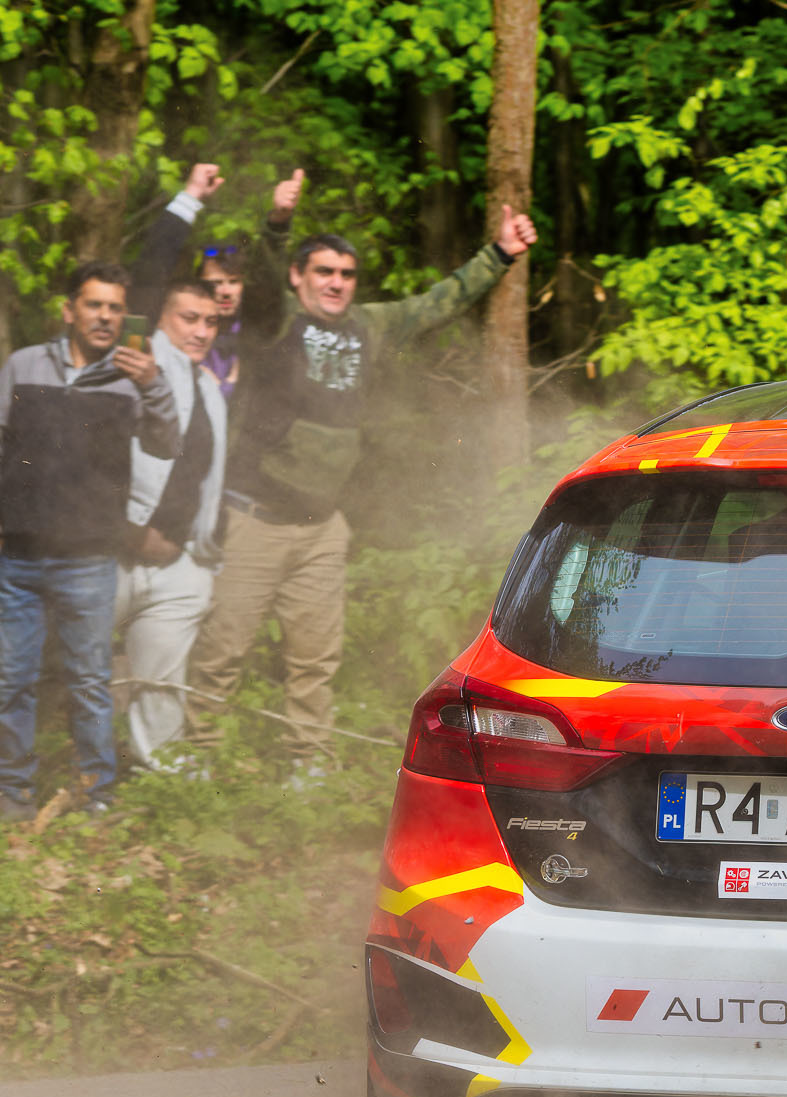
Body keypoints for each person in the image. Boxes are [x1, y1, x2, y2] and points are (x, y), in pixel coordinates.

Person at [183, 180, 540, 772]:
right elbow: (264, 281)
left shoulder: (369, 324)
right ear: (299, 276)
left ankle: (309, 763)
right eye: (323, 271)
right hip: (256, 519)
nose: (336, 282)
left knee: (315, 658)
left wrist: (500, 253)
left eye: (346, 274)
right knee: (224, 648)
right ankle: (198, 759)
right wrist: (276, 224)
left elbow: (438, 302)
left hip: (322, 526)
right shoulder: (276, 319)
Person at [0, 263, 180, 819]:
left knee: (88, 681)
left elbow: (167, 443)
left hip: (89, 558)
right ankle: (12, 792)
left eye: (114, 307)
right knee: (11, 678)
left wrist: (154, 383)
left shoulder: (132, 377)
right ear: (69, 310)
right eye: (94, 304)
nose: (105, 316)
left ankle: (96, 794)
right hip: (18, 556)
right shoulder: (24, 365)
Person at [113, 277, 229, 770]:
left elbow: (207, 479)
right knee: (53, 662)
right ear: (160, 317)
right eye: (189, 318)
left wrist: (203, 556)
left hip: (179, 562)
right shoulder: (131, 364)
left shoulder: (209, 387)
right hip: (110, 553)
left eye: (211, 322)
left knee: (160, 684)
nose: (201, 332)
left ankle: (162, 778)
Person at [131, 162, 250, 398]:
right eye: (214, 284)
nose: (225, 291)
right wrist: (191, 196)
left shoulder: (254, 333)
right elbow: (151, 269)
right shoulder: (148, 339)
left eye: (233, 281)